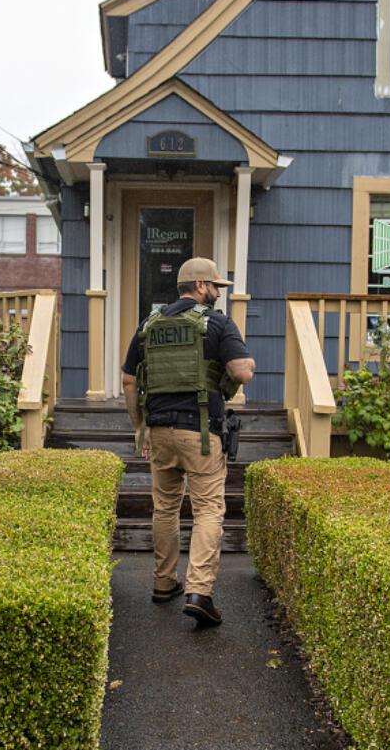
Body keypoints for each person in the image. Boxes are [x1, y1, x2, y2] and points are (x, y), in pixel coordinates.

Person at [122, 257, 255, 626]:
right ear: (200, 286)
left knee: (164, 509)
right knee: (209, 510)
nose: (217, 293)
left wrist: (139, 426)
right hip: (200, 433)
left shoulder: (149, 324)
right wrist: (248, 365)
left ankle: (164, 584)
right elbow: (241, 371)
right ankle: (199, 592)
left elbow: (129, 381)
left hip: (160, 432)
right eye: (215, 287)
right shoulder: (216, 323)